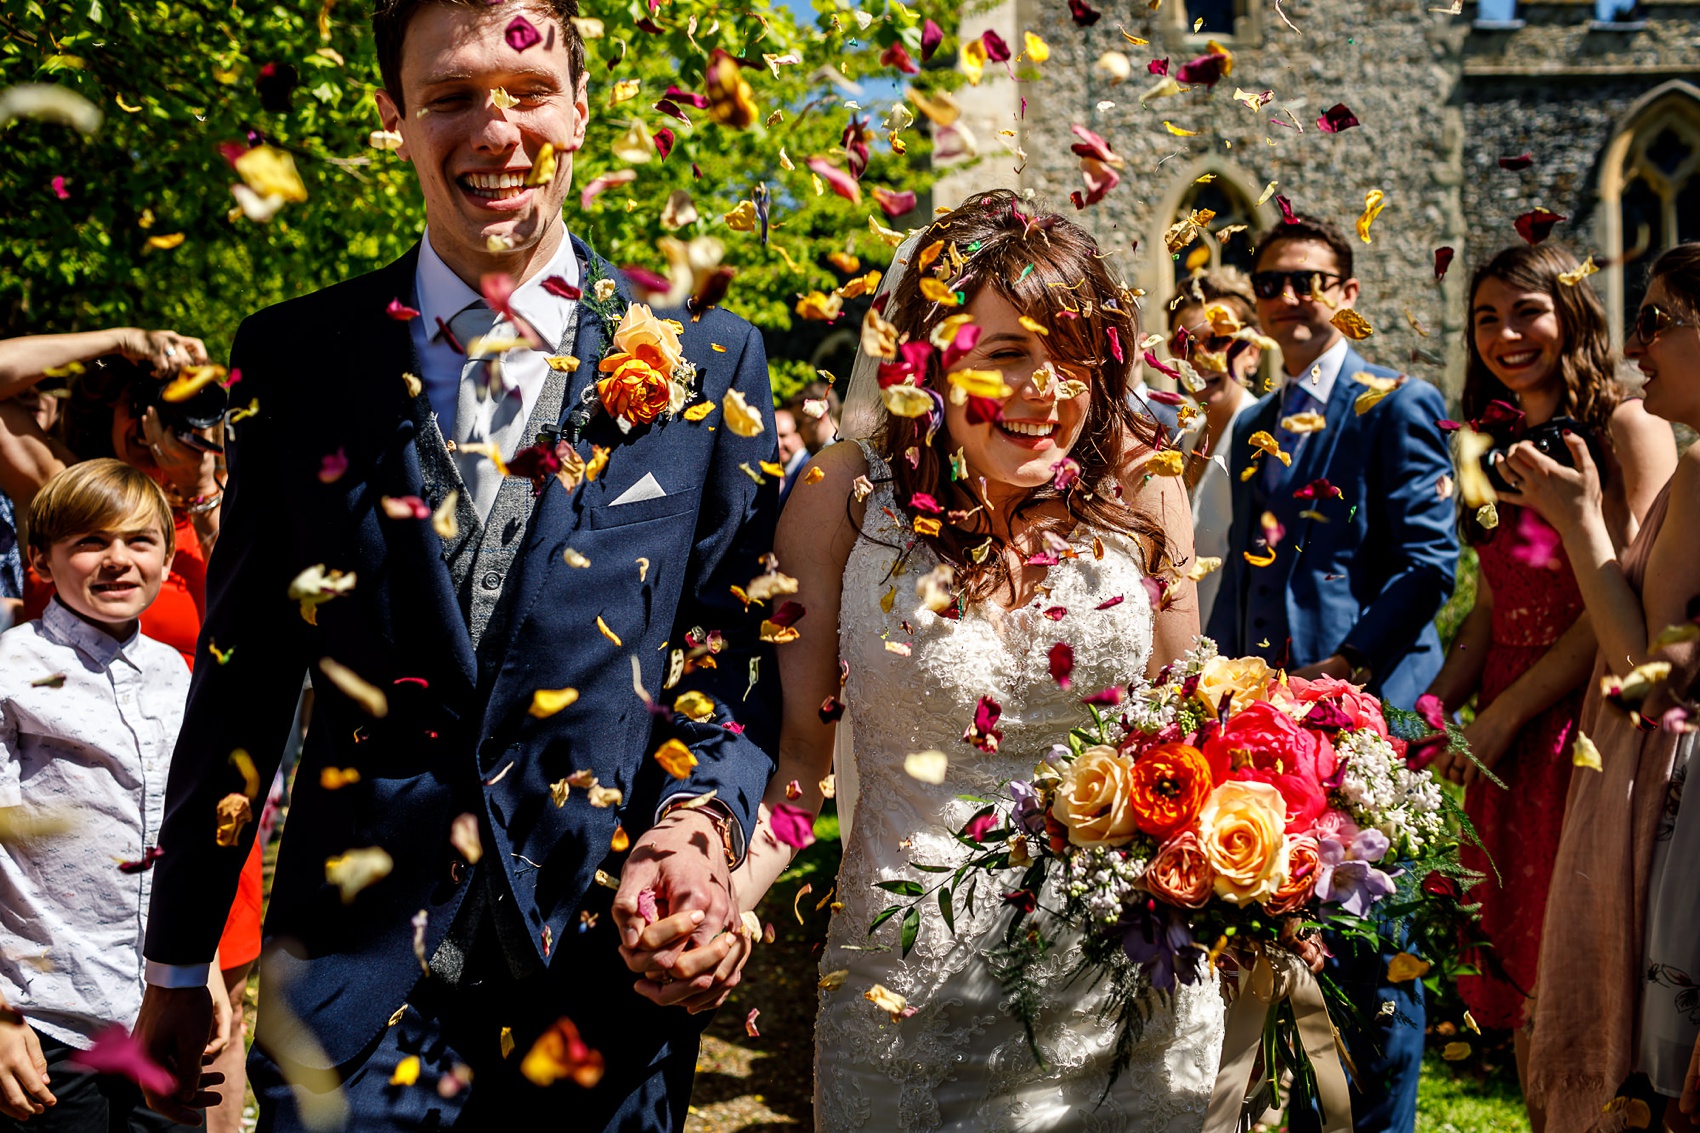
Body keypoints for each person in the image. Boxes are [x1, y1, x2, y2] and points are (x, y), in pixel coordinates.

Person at [131, 1, 779, 1129]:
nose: (496, 129)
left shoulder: (713, 358)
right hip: (347, 1006)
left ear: (580, 107)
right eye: (450, 96)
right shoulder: (292, 358)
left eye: (528, 92)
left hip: (599, 997)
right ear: (394, 118)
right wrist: (180, 965)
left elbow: (728, 656)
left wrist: (700, 829)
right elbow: (241, 679)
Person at [731, 191, 1224, 1130]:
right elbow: (799, 769)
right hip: (905, 1010)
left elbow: (1189, 737)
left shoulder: (1143, 488)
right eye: (1008, 356)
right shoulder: (844, 499)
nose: (1052, 389)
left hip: (1125, 1003)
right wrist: (724, 899)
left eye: (1077, 357)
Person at [1205, 217, 1458, 1133]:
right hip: (1273, 728)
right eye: (1271, 284)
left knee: (1376, 953)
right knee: (1297, 955)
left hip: (1367, 721)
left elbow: (1431, 562)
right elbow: (1243, 571)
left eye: (1309, 282)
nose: (1289, 299)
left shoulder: (1399, 403)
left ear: (1346, 294)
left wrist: (1348, 666)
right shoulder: (1258, 425)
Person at [1422, 244, 1674, 1130]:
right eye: (1484, 318)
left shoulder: (1628, 428)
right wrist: (1434, 706)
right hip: (1507, 727)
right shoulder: (1484, 440)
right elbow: (1493, 607)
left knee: (1584, 974)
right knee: (1524, 977)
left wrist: (1505, 717)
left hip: (1588, 717)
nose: (1503, 334)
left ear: (1572, 312)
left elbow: (1627, 596)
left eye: (1523, 311)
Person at [0, 332, 262, 1130]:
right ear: (43, 557)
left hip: (160, 989)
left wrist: (196, 964)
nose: (117, 560)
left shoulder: (173, 671)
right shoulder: (13, 673)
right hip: (52, 1015)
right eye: (91, 545)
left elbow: (173, 831)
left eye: (138, 544)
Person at [1514, 244, 1700, 1131]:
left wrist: (1581, 523)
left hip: (1667, 787)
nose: (1635, 348)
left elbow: (1648, 677)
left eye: (1658, 322)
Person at [1166, 268, 1263, 625]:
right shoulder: (1186, 436)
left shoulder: (1263, 443)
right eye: (1185, 345)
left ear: (1252, 351)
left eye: (1218, 341)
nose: (1200, 358)